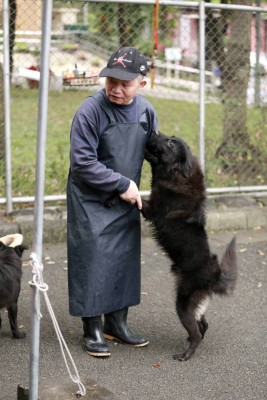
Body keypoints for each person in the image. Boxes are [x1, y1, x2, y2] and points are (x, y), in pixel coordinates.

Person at [67, 47, 158, 358]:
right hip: (91, 199)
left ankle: (116, 324)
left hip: (126, 199)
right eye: (111, 82)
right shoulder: (90, 111)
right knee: (92, 259)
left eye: (125, 84)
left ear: (142, 84)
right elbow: (82, 162)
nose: (116, 89)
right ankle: (91, 328)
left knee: (123, 260)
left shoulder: (146, 111)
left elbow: (155, 151)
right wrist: (121, 183)